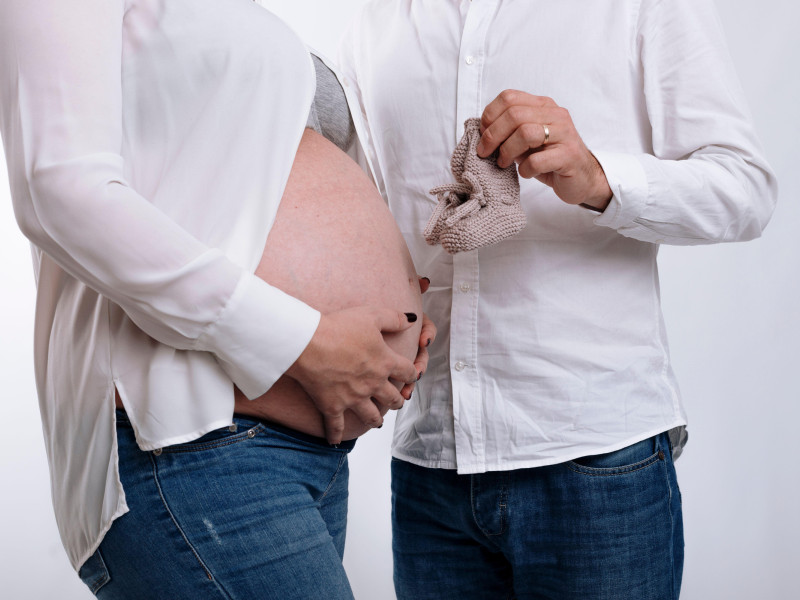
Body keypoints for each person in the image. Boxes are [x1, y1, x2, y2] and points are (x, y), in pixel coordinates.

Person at [338, 0, 777, 598]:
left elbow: (745, 189)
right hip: (431, 467)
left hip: (595, 460)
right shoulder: (376, 20)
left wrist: (599, 179)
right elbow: (366, 210)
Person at [0, 1, 434, 598]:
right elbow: (61, 189)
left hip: (299, 451)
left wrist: (400, 304)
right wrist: (301, 342)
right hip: (190, 443)